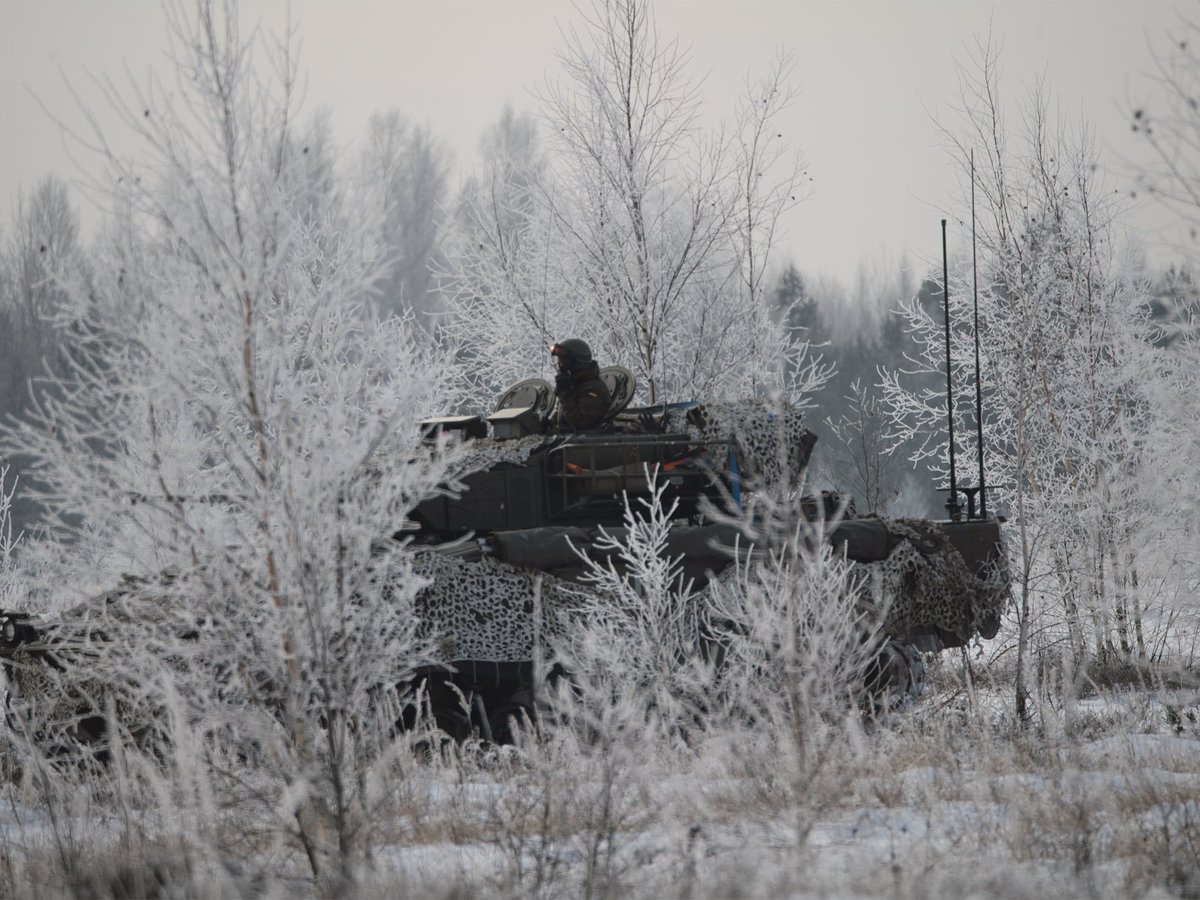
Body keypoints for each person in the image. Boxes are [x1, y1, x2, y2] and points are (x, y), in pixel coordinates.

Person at [550, 339, 612, 431]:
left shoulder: (593, 389)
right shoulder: (575, 385)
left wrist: (564, 393)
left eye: (564, 361)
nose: (560, 365)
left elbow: (580, 423)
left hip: (589, 443)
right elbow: (562, 418)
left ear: (577, 363)